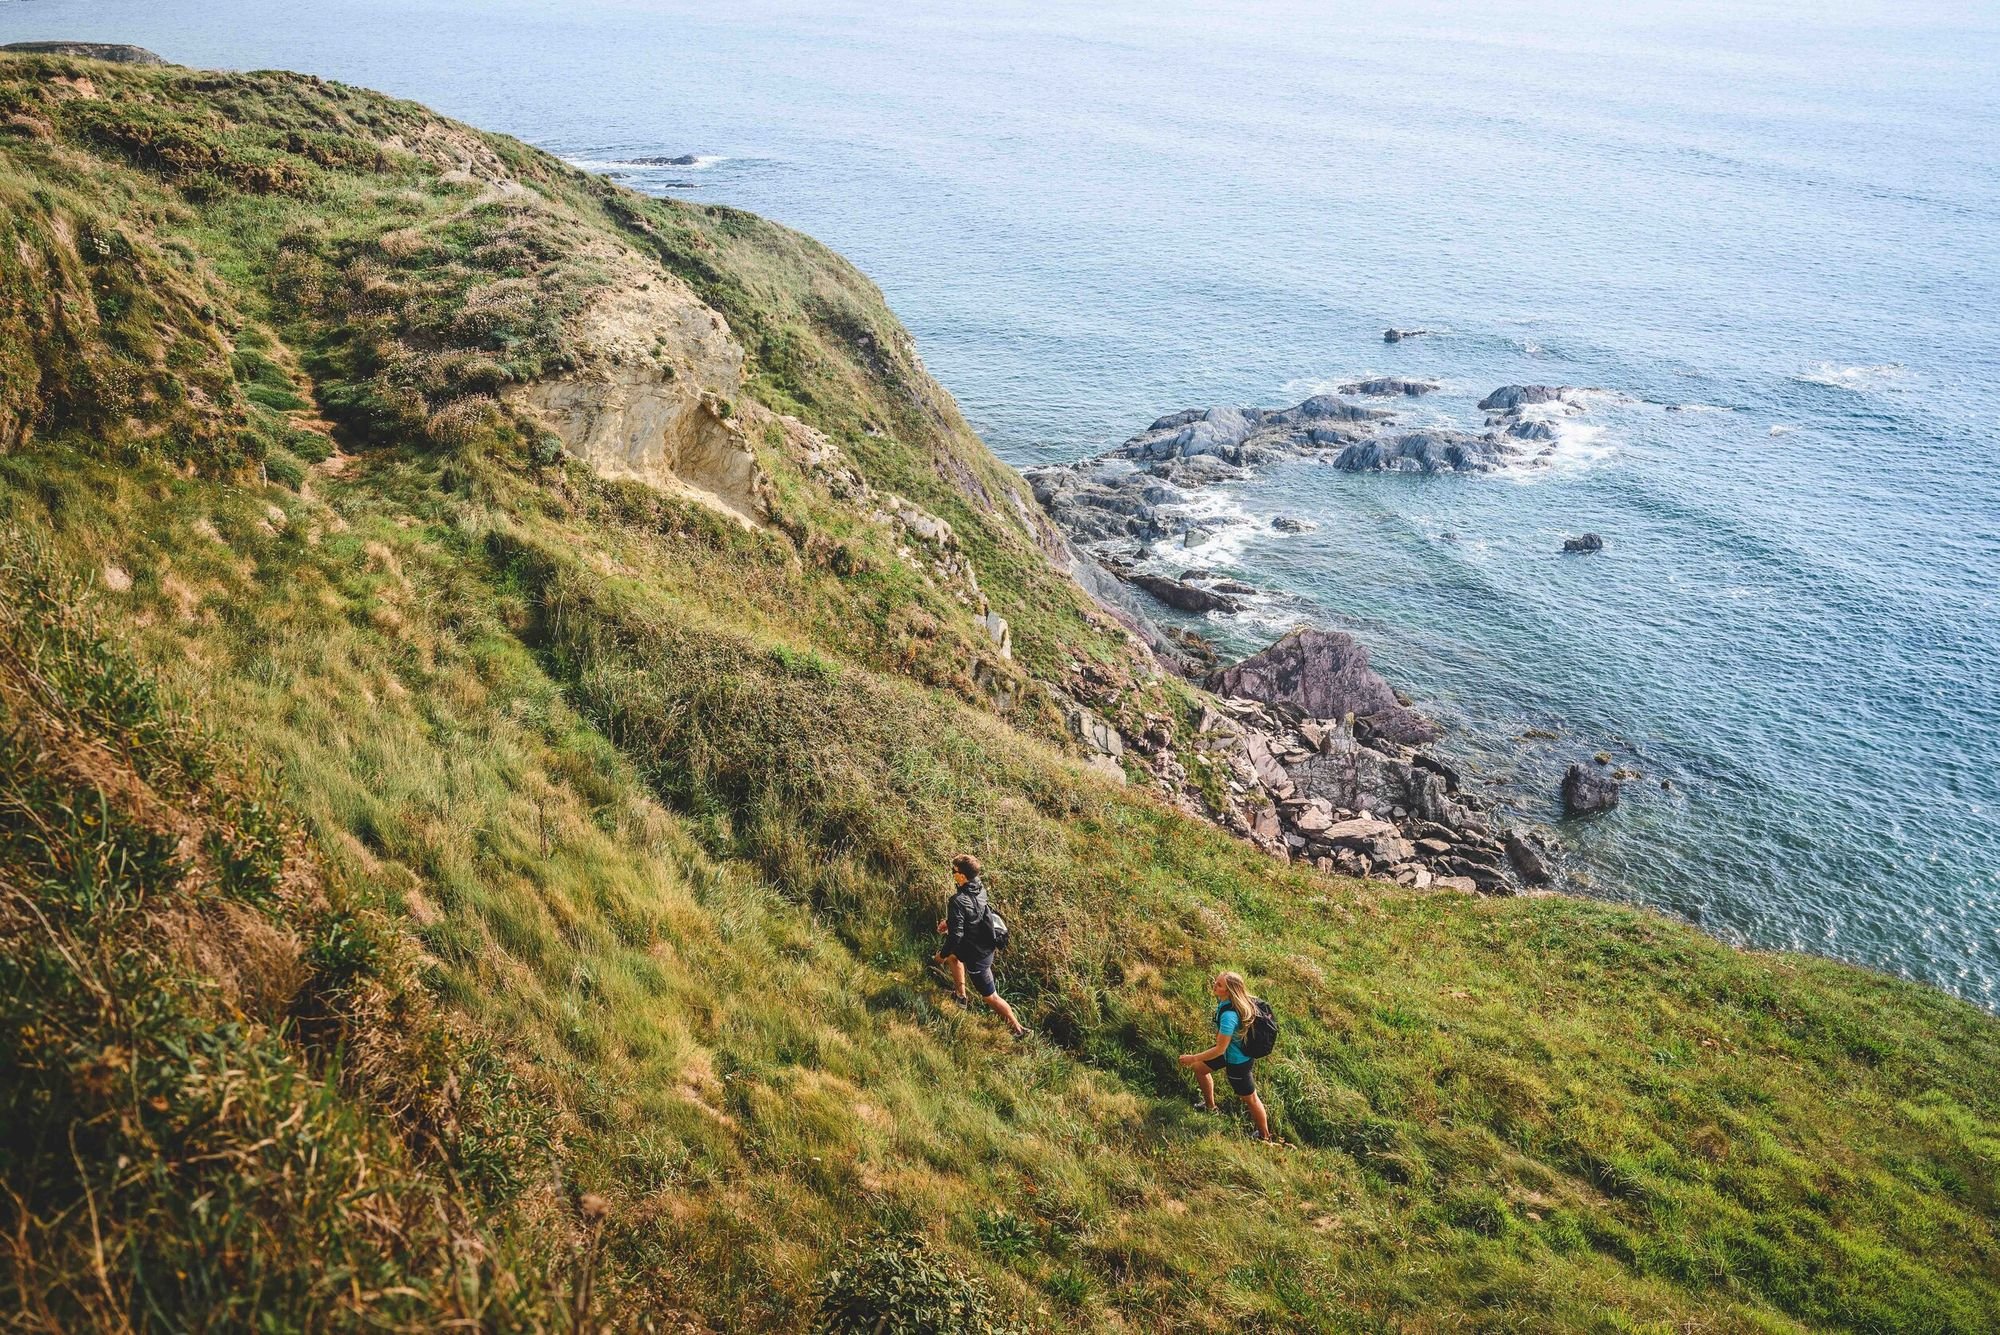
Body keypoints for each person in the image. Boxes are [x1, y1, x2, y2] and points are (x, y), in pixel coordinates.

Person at [935, 854, 1027, 1040]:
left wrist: (941, 956)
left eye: (954, 871)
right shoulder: (979, 888)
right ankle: (961, 997)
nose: (952, 873)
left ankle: (1018, 1029)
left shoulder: (958, 900)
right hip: (982, 942)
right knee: (955, 957)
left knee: (989, 996)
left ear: (962, 876)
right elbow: (974, 915)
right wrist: (950, 922)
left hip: (977, 954)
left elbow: (956, 936)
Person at [1178, 970, 1274, 1142]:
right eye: (1216, 981)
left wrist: (1192, 1057)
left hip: (1237, 1061)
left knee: (1250, 1099)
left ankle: (1264, 1137)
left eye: (1219, 984)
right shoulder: (1236, 1001)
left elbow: (1219, 1049)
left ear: (1229, 991)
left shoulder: (1229, 1016)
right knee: (1200, 1069)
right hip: (1230, 1051)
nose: (1214, 985)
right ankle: (1210, 1107)